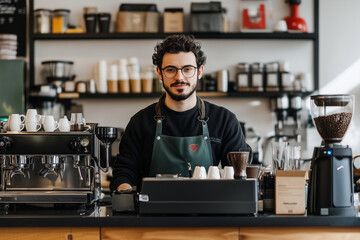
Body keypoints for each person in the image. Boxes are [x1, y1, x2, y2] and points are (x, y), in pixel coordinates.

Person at [110, 34, 251, 191]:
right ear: (159, 72)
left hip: (209, 213)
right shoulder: (140, 122)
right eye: (170, 70)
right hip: (153, 213)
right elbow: (124, 173)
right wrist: (126, 195)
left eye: (187, 69)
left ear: (199, 71)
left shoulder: (224, 120)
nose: (179, 77)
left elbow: (240, 174)